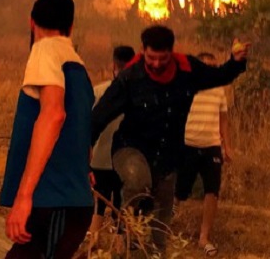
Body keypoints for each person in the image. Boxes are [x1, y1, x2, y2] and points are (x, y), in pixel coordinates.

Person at [91, 26, 249, 254]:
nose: (156, 63)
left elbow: (218, 76)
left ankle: (156, 251)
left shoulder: (187, 70)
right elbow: (99, 115)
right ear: (143, 50)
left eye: (162, 58)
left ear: (171, 52)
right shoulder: (130, 78)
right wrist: (84, 148)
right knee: (138, 181)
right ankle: (127, 233)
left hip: (167, 155)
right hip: (129, 150)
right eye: (151, 57)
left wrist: (235, 61)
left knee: (162, 215)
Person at [0, 0, 95, 259]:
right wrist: (83, 166)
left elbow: (54, 115)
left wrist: (24, 196)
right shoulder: (77, 63)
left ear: (32, 22)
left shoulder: (44, 49)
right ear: (71, 26)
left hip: (53, 199)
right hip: (68, 200)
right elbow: (80, 124)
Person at [174, 52, 234, 257]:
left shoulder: (219, 90)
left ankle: (204, 237)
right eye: (205, 66)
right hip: (188, 144)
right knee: (180, 191)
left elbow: (223, 120)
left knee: (212, 190)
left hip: (211, 146)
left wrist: (227, 146)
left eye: (213, 67)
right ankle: (165, 226)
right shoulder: (186, 86)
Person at [88, 45, 134, 241]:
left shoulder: (98, 91)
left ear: (113, 65)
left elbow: (87, 125)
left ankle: (93, 244)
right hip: (126, 162)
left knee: (98, 205)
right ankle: (118, 250)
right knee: (122, 207)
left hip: (99, 160)